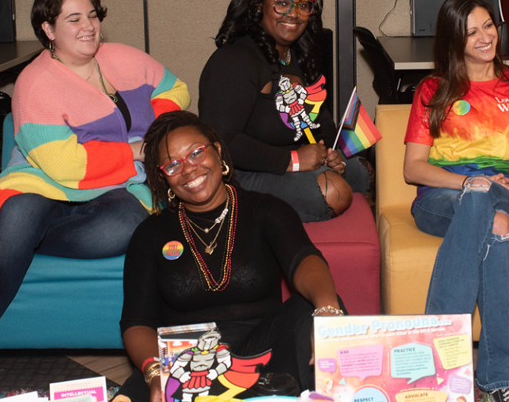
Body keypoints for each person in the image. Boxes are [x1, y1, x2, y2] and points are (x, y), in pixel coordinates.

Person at [0, 0, 190, 400]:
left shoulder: (122, 58)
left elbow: (175, 88)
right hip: (44, 181)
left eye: (93, 16)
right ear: (48, 28)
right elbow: (65, 166)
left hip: (116, 185)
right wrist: (135, 150)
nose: (89, 26)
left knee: (126, 223)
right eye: (74, 18)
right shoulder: (35, 81)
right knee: (20, 215)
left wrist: (158, 127)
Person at [117, 111, 345, 402]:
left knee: (312, 310)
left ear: (218, 150)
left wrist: (326, 311)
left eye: (196, 153)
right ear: (164, 176)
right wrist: (154, 373)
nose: (188, 169)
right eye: (173, 164)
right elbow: (137, 321)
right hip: (186, 365)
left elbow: (303, 259)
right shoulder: (150, 233)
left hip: (266, 357)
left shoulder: (265, 210)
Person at [402, 0, 509, 402]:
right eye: (471, 31)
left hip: (508, 196)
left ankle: (433, 365)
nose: (485, 36)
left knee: (494, 209)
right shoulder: (432, 90)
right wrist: (467, 184)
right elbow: (413, 168)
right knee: (494, 224)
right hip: (440, 197)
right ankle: (505, 376)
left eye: (489, 25)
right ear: (454, 40)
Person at [198, 0, 369, 222]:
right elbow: (222, 141)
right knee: (334, 192)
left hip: (295, 160)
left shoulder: (298, 56)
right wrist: (293, 160)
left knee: (362, 171)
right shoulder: (234, 60)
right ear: (258, 6)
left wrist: (329, 153)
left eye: (303, 5)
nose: (294, 13)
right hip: (243, 172)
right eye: (282, 2)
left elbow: (319, 119)